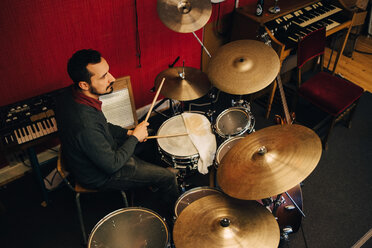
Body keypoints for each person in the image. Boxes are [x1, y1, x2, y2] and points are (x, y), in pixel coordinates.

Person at [55, 49, 179, 222]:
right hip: (99, 175)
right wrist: (134, 138)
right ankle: (175, 214)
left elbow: (102, 126)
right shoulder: (84, 124)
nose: (112, 78)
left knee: (150, 136)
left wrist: (128, 133)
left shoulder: (71, 95)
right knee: (168, 177)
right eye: (103, 76)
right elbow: (112, 165)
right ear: (84, 84)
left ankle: (150, 179)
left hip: (98, 151)